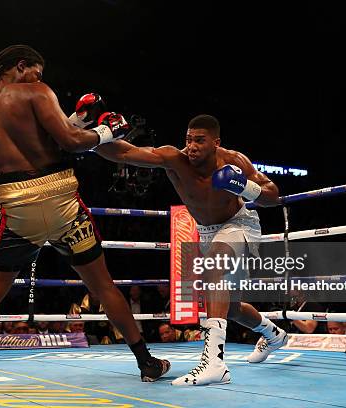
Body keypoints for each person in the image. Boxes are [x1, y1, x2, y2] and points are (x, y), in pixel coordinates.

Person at [0, 44, 169, 394]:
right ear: (21, 66)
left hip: (17, 209)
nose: (40, 79)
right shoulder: (35, 91)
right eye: (37, 72)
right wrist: (109, 132)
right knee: (103, 287)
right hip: (63, 201)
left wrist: (74, 123)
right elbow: (72, 142)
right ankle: (147, 363)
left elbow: (41, 142)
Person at [95, 113, 286, 386]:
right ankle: (274, 334)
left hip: (239, 223)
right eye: (188, 139)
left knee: (212, 271)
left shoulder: (233, 160)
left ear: (216, 142)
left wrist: (245, 186)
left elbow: (273, 195)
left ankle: (214, 364)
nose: (192, 146)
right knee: (229, 308)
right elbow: (125, 153)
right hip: (207, 232)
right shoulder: (174, 159)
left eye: (199, 140)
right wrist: (92, 137)